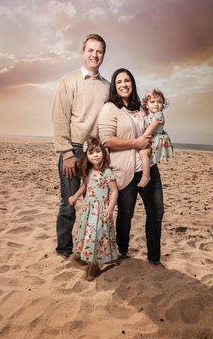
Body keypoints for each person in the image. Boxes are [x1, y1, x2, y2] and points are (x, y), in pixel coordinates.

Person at [98, 68, 164, 266]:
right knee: (126, 214)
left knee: (156, 212)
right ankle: (122, 250)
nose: (123, 84)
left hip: (148, 167)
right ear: (114, 87)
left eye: (127, 81)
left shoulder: (141, 109)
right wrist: (137, 143)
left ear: (132, 84)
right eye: (119, 82)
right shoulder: (110, 108)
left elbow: (155, 124)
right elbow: (106, 141)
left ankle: (154, 257)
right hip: (125, 170)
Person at [52, 34, 110, 258]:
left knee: (94, 204)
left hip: (95, 153)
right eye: (91, 50)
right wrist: (66, 153)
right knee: (69, 204)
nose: (95, 55)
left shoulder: (107, 87)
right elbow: (60, 118)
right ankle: (64, 250)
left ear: (103, 55)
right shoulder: (68, 81)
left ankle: (88, 249)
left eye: (99, 51)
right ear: (82, 52)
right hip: (73, 152)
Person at [69, 137, 118, 281]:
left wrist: (110, 208)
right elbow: (84, 186)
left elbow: (114, 191)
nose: (95, 155)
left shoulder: (107, 172)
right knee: (86, 234)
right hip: (88, 209)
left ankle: (94, 266)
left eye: (98, 151)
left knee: (96, 236)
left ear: (103, 152)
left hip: (101, 211)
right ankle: (88, 258)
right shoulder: (89, 171)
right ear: (87, 156)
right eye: (91, 153)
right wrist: (75, 196)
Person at [137, 89, 173, 187]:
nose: (156, 104)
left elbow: (151, 127)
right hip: (151, 138)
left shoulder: (159, 114)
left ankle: (146, 176)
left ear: (163, 105)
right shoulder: (148, 115)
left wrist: (141, 139)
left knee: (143, 152)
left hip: (156, 139)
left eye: (159, 102)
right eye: (152, 102)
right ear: (147, 104)